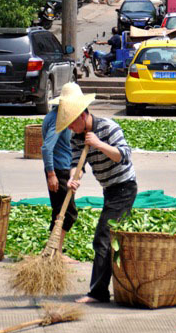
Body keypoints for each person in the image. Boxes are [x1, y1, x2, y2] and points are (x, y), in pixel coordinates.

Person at [55, 82, 137, 304]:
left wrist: (99, 144)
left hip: (124, 187)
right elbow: (76, 164)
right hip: (109, 189)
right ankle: (118, 284)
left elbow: (124, 156)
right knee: (112, 239)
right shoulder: (77, 137)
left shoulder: (109, 128)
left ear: (83, 115)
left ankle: (98, 293)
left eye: (72, 123)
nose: (70, 129)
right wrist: (74, 178)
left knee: (102, 237)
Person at [41, 95, 78, 263]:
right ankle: (56, 252)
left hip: (60, 169)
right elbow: (46, 148)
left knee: (59, 211)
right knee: (68, 212)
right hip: (58, 171)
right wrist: (51, 174)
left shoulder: (54, 115)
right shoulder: (58, 119)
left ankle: (54, 251)